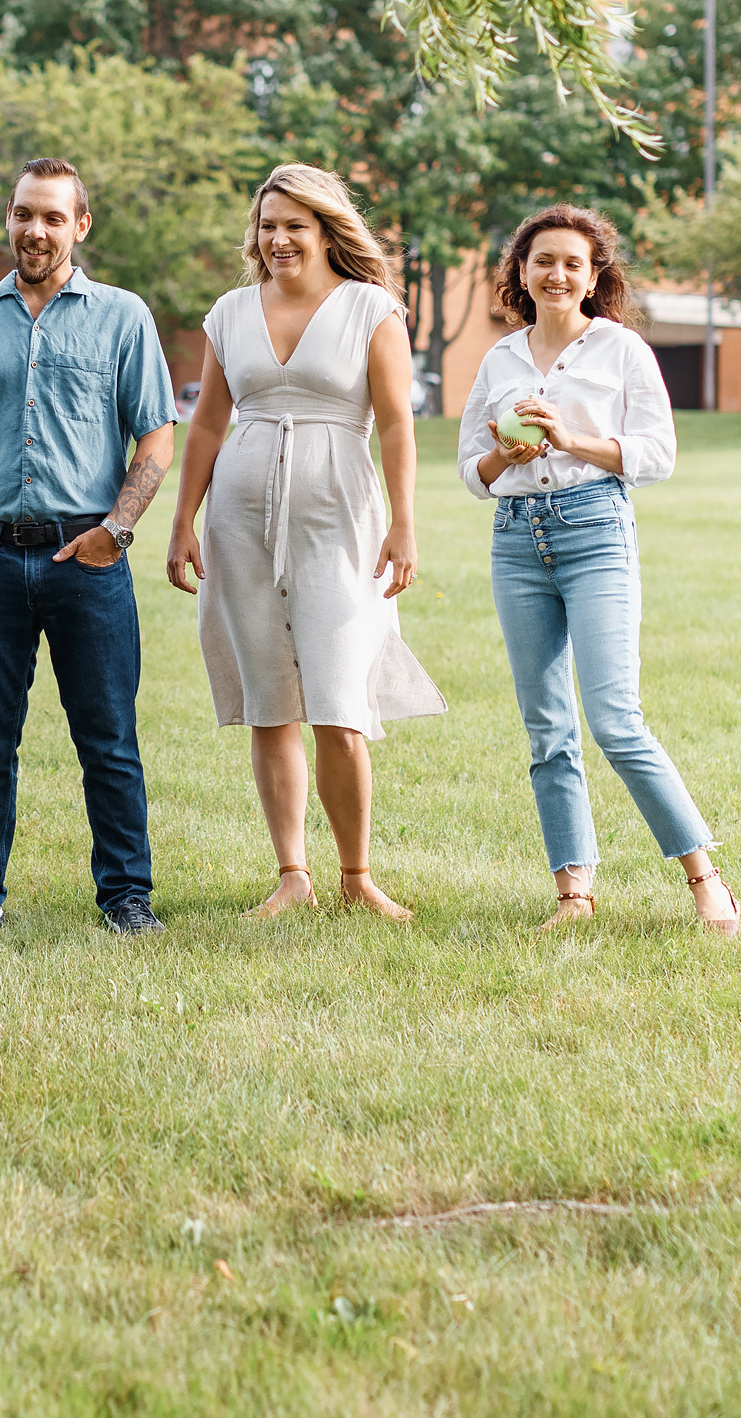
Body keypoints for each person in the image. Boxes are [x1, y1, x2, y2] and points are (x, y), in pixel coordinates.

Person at [0, 158, 177, 936]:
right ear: (9, 217)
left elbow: (157, 436)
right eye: (25, 213)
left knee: (109, 737)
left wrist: (116, 530)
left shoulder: (123, 317)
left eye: (54, 216)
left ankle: (126, 896)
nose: (36, 230)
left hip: (87, 559)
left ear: (80, 225)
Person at [166, 164, 444, 920]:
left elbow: (396, 422)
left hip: (338, 518)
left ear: (326, 230)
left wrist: (404, 521)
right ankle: (292, 874)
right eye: (268, 225)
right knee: (269, 702)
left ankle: (357, 875)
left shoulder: (370, 307)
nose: (279, 239)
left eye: (296, 224)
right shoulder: (230, 312)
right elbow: (207, 423)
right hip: (240, 520)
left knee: (339, 703)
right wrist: (184, 518)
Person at [456, 206, 739, 936]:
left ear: (592, 278)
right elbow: (471, 472)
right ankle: (573, 894)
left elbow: (657, 454)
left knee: (615, 718)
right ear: (521, 273)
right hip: (516, 541)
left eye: (572, 263)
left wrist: (569, 438)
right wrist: (505, 455)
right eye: (542, 260)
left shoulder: (622, 350)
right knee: (547, 728)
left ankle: (706, 878)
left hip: (595, 531)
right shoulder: (499, 359)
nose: (556, 274)